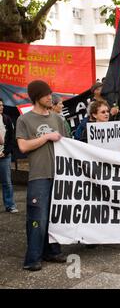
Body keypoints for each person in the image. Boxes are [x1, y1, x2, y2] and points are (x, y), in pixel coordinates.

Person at [16, 80, 67, 271]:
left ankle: (52, 251)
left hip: (59, 175)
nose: (51, 97)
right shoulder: (25, 120)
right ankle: (33, 258)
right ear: (38, 97)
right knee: (38, 217)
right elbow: (22, 146)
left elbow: (66, 144)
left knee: (55, 216)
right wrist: (46, 137)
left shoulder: (57, 119)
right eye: (47, 95)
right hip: (39, 175)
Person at [0, 99, 17, 213]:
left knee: (7, 181)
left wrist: (5, 152)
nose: (1, 107)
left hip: (4, 156)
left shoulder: (6, 119)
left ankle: (10, 205)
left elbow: (11, 138)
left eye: (2, 105)